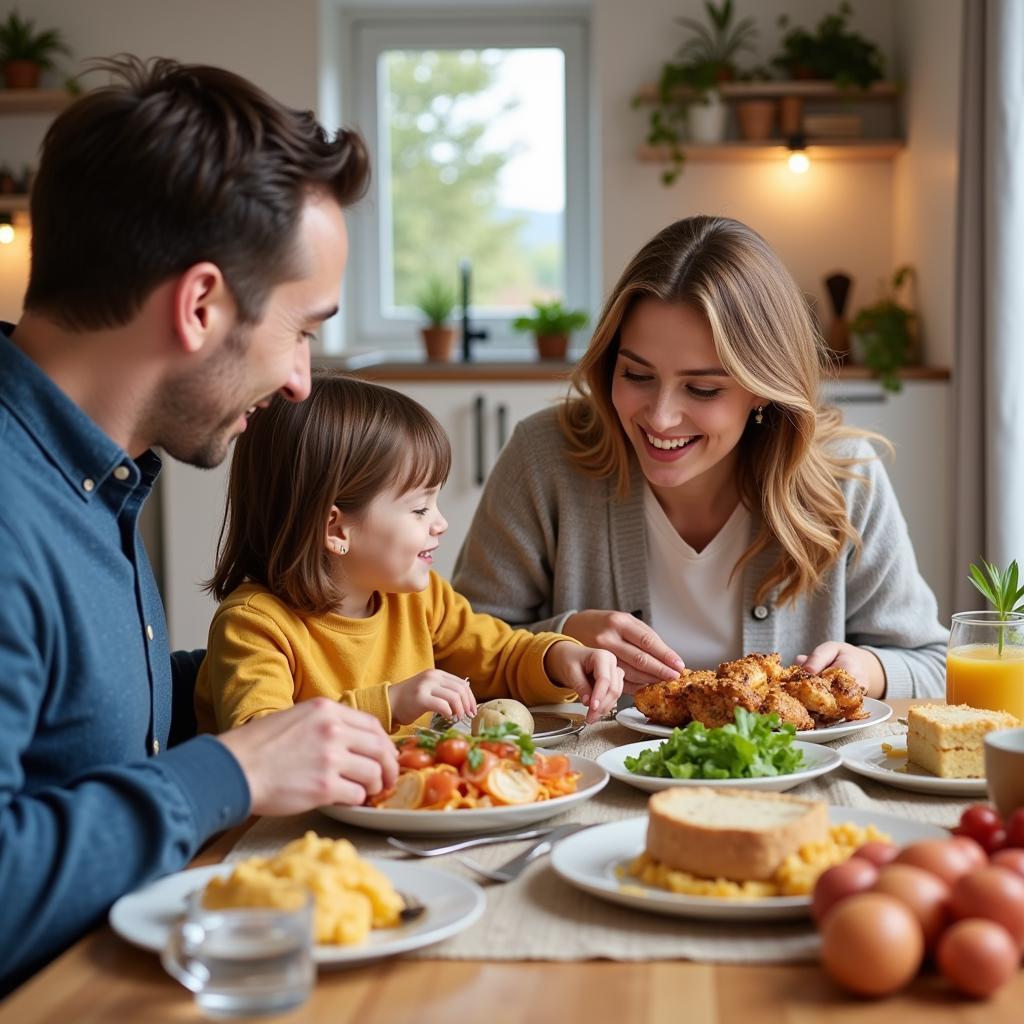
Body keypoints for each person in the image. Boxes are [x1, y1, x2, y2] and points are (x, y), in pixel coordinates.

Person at [0, 57, 401, 993]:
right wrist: (226, 772)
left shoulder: (89, 473)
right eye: (302, 330)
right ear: (200, 304)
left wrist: (310, 674)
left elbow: (84, 724)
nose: (302, 379)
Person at [453, 215, 947, 700]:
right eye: (637, 376)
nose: (661, 417)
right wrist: (557, 644)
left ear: (763, 389)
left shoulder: (844, 478)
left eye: (703, 388)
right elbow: (448, 652)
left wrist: (871, 669)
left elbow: (935, 663)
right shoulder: (545, 457)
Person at [194, 371, 624, 739]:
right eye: (419, 508)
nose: (440, 523)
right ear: (336, 527)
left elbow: (501, 657)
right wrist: (389, 703)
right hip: (284, 836)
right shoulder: (253, 626)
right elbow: (260, 742)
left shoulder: (418, 598)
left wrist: (560, 660)